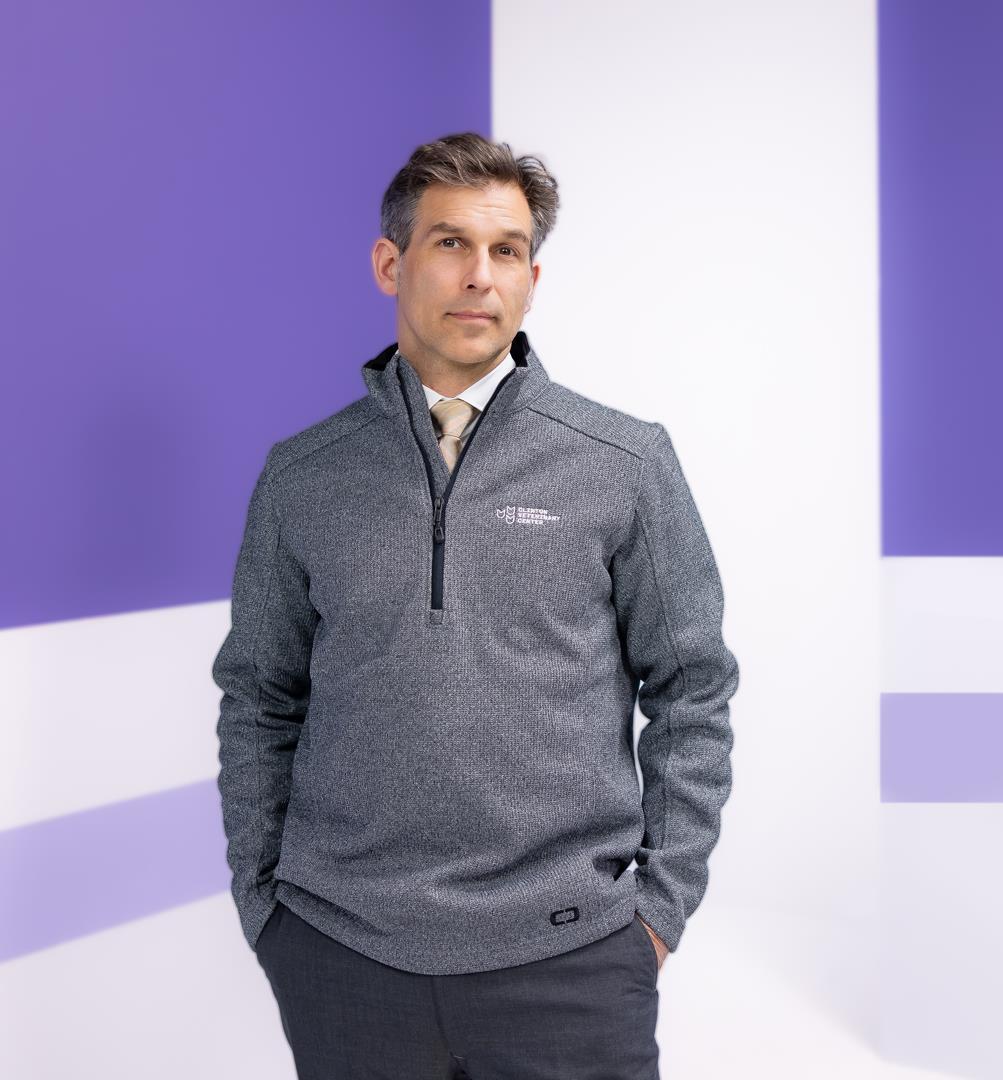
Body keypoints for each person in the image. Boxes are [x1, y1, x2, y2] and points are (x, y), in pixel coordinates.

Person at [212, 131, 740, 1079]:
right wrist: (267, 906)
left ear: (532, 279)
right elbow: (258, 695)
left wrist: (657, 911)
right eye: (450, 242)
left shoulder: (623, 462)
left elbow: (693, 687)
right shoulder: (303, 477)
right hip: (341, 952)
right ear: (391, 263)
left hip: (571, 954)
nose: (479, 276)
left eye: (506, 251)